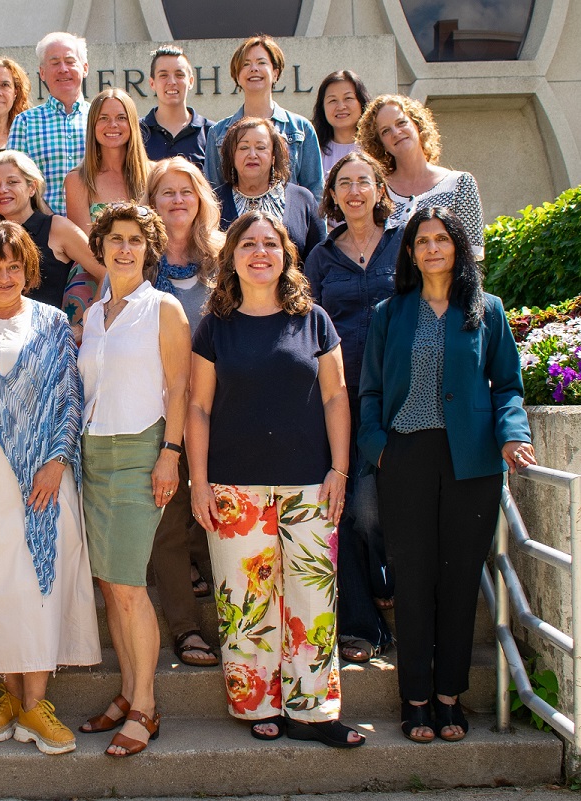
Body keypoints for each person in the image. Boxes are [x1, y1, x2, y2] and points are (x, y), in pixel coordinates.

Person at [186, 210, 365, 749]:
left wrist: (340, 468)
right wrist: (198, 482)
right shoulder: (215, 327)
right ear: (232, 258)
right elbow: (197, 407)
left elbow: (336, 396)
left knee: (312, 601)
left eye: (270, 244)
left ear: (287, 255)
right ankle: (257, 704)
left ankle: (314, 709)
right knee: (246, 601)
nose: (260, 253)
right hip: (235, 488)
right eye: (248, 245)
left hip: (310, 482)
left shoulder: (314, 320)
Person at [358, 206, 534, 743]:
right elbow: (369, 390)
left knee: (459, 582)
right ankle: (414, 699)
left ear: (458, 248)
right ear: (410, 253)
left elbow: (506, 384)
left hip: (472, 462)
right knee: (413, 582)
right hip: (405, 457)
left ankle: (449, 697)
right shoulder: (390, 313)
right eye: (422, 241)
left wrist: (513, 434)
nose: (433, 249)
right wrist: (379, 448)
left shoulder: (488, 310)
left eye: (442, 239)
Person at [0, 221, 101, 756]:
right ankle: (10, 698)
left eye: (14, 266)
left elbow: (69, 397)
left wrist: (58, 461)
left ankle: (36, 703)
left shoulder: (54, 322)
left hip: (43, 477)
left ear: (30, 270)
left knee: (39, 580)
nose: (4, 275)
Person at [77, 202, 191, 757]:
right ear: (100, 246)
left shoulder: (163, 308)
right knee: (109, 585)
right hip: (93, 455)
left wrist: (170, 453)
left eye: (134, 240)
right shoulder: (95, 315)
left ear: (149, 250)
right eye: (115, 239)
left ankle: (145, 706)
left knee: (127, 585)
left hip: (141, 452)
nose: (124, 249)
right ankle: (126, 691)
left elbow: (180, 390)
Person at [305, 152, 401, 664]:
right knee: (354, 511)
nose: (355, 190)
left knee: (386, 509)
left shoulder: (404, 243)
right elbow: (308, 325)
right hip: (342, 396)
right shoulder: (321, 257)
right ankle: (362, 623)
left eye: (365, 181)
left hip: (402, 393)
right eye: (345, 182)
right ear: (333, 195)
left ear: (379, 189)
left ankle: (387, 574)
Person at [142, 157, 223, 669]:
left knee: (213, 513)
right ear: (151, 203)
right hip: (157, 409)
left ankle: (236, 621)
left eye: (185, 192)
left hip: (221, 408)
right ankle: (186, 628)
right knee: (168, 521)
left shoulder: (226, 258)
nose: (176, 201)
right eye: (165, 193)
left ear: (201, 200)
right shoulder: (138, 260)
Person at [0, 150, 105, 321]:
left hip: (49, 340)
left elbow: (107, 274)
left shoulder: (57, 228)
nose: (2, 190)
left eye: (12, 182)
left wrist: (86, 325)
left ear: (32, 188)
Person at [357, 94, 485, 259]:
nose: (396, 132)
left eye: (401, 123)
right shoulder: (378, 192)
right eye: (385, 131)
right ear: (380, 144)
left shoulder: (460, 184)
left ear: (417, 125)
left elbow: (471, 257)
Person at [203, 34, 323, 201]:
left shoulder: (301, 128)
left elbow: (315, 193)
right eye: (246, 64)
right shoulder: (218, 133)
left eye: (261, 63)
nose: (254, 69)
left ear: (275, 73)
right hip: (234, 225)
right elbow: (212, 195)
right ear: (237, 76)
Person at [214, 117, 325, 261]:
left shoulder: (302, 199)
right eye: (243, 148)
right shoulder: (214, 202)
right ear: (231, 156)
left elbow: (320, 259)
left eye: (261, 147)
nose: (252, 155)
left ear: (273, 156)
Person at [8, 32, 90, 216]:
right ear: (42, 73)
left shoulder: (101, 119)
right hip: (43, 233)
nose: (63, 69)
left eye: (70, 61)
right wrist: (51, 222)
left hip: (97, 231)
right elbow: (13, 181)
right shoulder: (25, 123)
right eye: (54, 63)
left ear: (85, 68)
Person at [65, 88, 151, 235]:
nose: (112, 124)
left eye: (121, 118)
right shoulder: (78, 180)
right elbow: (84, 249)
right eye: (103, 118)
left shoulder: (153, 174)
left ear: (132, 124)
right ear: (93, 125)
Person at [140, 45, 213, 169]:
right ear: (152, 83)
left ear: (190, 82)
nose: (172, 82)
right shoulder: (137, 132)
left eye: (179, 75)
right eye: (163, 75)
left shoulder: (211, 133)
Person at [312, 70, 372, 177]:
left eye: (348, 98)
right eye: (332, 100)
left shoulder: (376, 149)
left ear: (361, 103)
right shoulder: (314, 151)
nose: (341, 107)